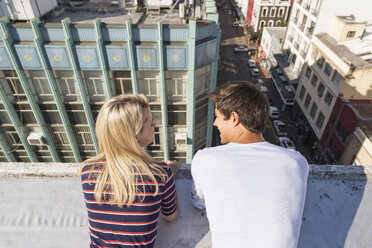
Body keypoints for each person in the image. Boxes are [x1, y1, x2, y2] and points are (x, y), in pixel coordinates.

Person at [191, 82, 309, 248]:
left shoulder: (204, 159)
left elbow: (199, 202)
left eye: (218, 116)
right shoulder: (297, 162)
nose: (215, 123)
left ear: (234, 118)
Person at [80, 94, 178, 248]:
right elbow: (170, 217)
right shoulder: (160, 174)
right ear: (135, 134)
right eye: (151, 123)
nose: (155, 124)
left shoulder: (87, 172)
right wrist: (170, 174)